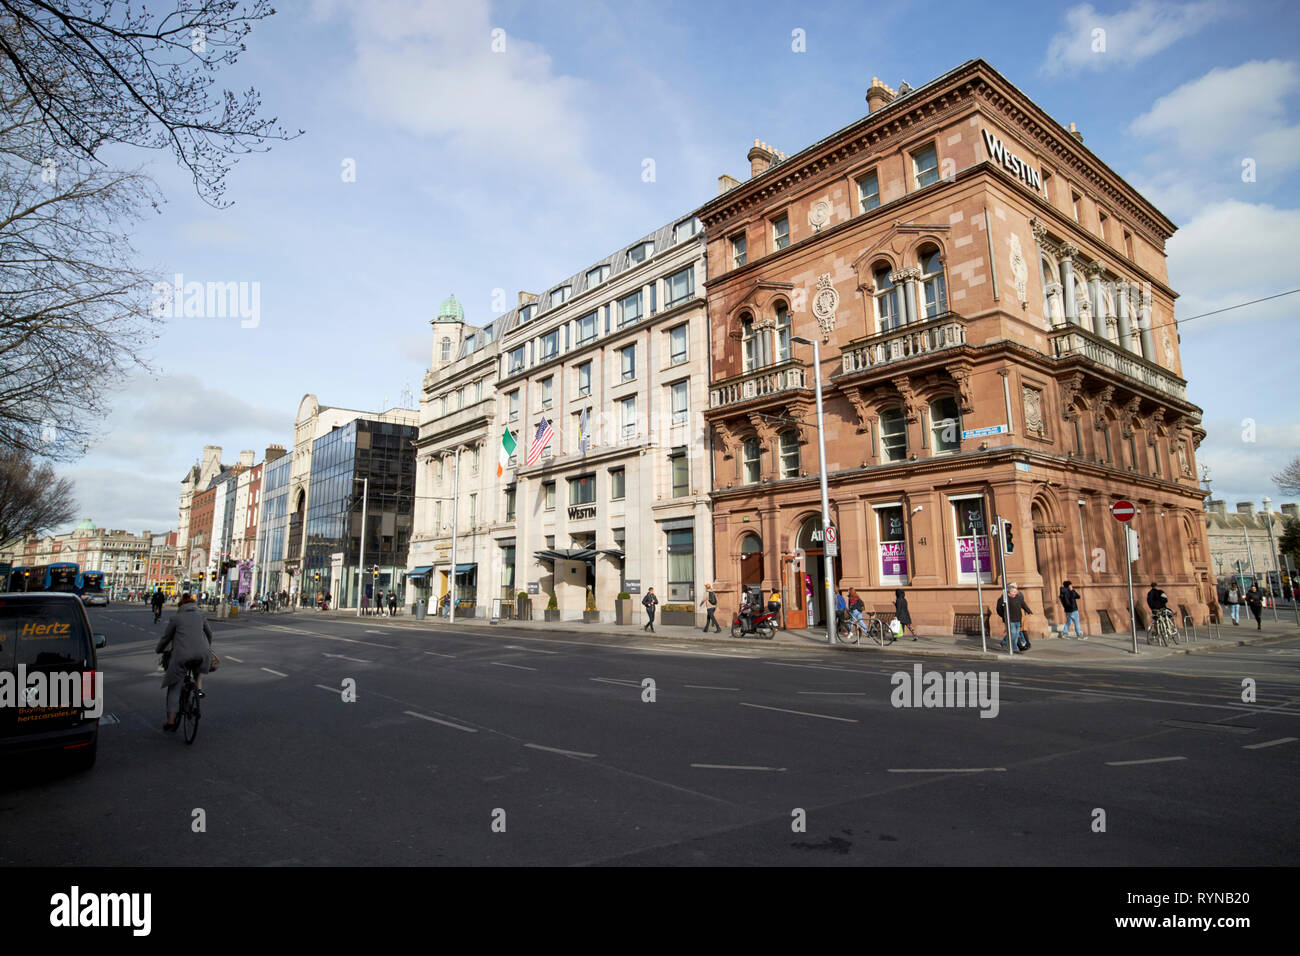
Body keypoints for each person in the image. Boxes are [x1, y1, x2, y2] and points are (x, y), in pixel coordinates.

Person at [155, 593, 212, 732]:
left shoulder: (176, 618)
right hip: (202, 653)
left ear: (181, 606)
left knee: (174, 686)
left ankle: (170, 721)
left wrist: (159, 649)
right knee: (198, 666)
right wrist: (208, 647)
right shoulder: (201, 616)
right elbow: (209, 633)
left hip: (182, 656)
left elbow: (166, 638)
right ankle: (198, 688)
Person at [996, 584, 1033, 651]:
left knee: (1016, 635)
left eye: (1016, 592)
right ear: (1009, 592)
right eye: (1013, 592)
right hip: (1010, 619)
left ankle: (1008, 644)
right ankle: (1013, 647)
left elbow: (1023, 605)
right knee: (1013, 633)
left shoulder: (1018, 598)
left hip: (1018, 619)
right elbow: (999, 609)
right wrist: (1004, 615)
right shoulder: (1003, 599)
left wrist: (1029, 611)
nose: (1015, 593)